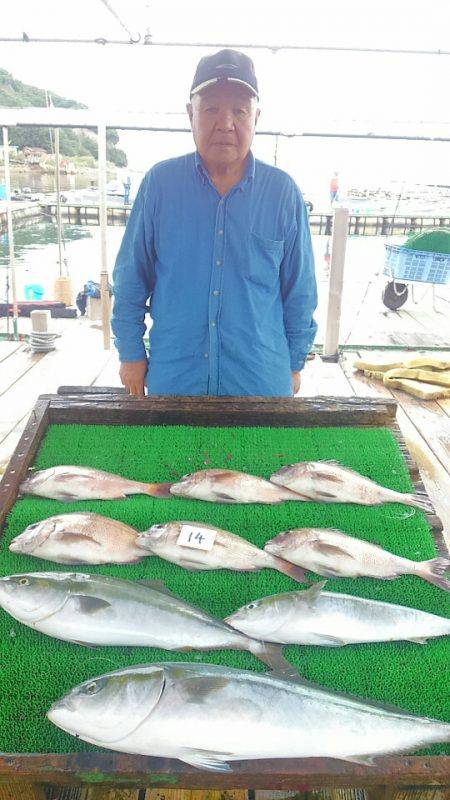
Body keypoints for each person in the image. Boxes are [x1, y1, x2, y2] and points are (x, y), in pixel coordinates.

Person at [112, 49, 317, 398]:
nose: (225, 123)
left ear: (257, 117)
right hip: (175, 381)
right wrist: (131, 353)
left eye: (239, 110)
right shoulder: (159, 185)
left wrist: (295, 361)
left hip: (260, 382)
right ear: (190, 114)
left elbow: (300, 292)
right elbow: (131, 278)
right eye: (211, 109)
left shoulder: (283, 192)